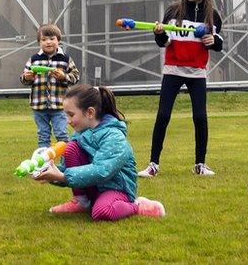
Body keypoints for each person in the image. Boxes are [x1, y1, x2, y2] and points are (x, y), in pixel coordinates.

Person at [31, 84, 166, 221]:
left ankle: (137, 206)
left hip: (116, 189)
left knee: (102, 212)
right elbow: (67, 170)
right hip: (94, 186)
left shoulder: (113, 137)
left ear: (90, 112)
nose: (67, 120)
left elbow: (102, 170)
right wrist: (49, 174)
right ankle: (82, 202)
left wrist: (62, 176)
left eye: (71, 114)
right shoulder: (79, 135)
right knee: (71, 147)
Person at [138, 0, 224, 178]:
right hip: (173, 70)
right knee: (163, 115)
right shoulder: (173, 11)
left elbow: (218, 43)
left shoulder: (213, 15)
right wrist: (158, 34)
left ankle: (200, 165)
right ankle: (153, 165)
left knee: (200, 117)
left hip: (197, 73)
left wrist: (213, 41)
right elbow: (165, 42)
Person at [21, 23, 80, 150]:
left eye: (52, 39)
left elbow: (75, 76)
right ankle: (44, 165)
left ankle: (66, 162)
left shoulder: (65, 59)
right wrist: (27, 77)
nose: (48, 42)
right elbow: (24, 78)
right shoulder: (34, 60)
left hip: (59, 105)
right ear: (39, 42)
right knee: (43, 136)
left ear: (58, 40)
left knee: (62, 135)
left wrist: (64, 76)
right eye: (44, 39)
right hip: (39, 105)